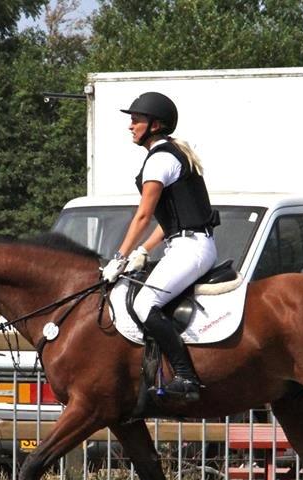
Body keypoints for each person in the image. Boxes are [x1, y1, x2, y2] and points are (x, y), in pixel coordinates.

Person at [101, 91, 219, 402]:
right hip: (183, 245)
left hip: (191, 249)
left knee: (143, 304)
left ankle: (186, 376)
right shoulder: (167, 155)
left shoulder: (161, 159)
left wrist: (119, 256)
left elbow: (143, 215)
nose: (131, 126)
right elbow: (168, 223)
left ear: (155, 125)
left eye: (136, 120)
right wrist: (143, 251)